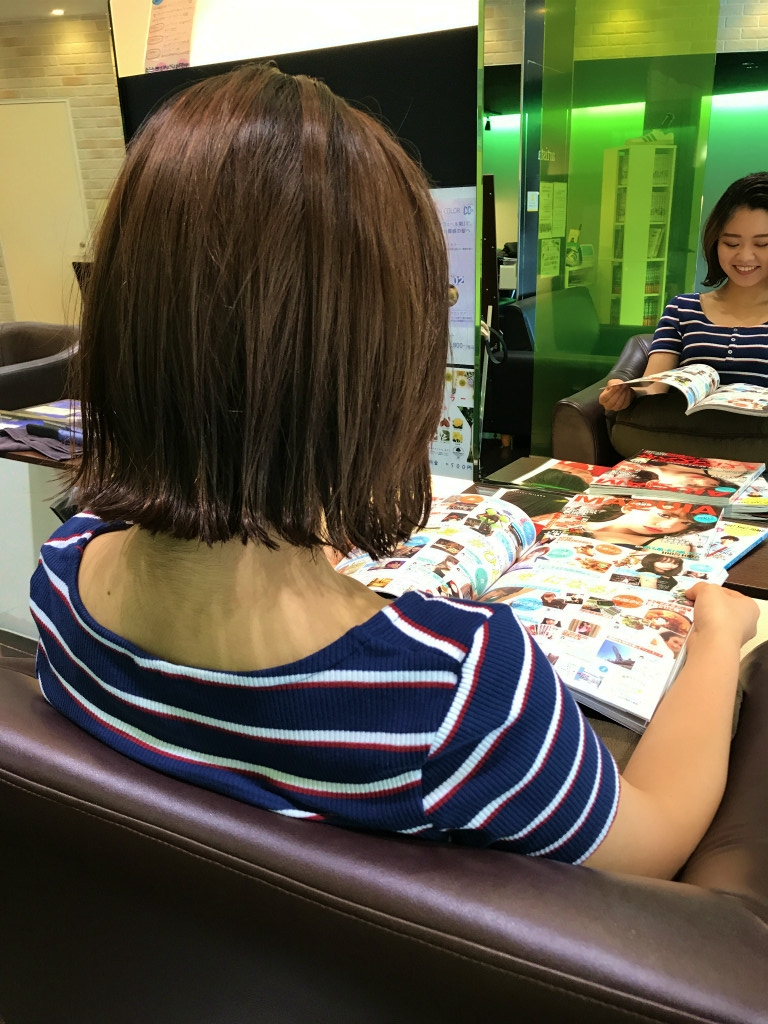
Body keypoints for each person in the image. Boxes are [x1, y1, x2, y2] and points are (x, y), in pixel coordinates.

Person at [29, 63, 759, 880]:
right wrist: (720, 635)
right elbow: (648, 843)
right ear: (383, 359)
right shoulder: (455, 690)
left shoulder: (61, 573)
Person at [600, 171, 768, 412]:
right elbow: (653, 388)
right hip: (683, 433)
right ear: (715, 242)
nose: (745, 256)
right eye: (731, 243)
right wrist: (624, 393)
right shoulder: (682, 309)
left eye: (762, 244)